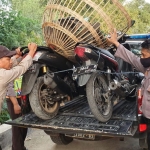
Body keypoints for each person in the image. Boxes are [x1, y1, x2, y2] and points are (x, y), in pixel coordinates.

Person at [108, 29, 150, 150]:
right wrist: (116, 43)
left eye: (144, 55)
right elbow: (132, 58)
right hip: (147, 115)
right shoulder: (147, 68)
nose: (141, 58)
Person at [0, 43, 37, 113]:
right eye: (8, 59)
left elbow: (10, 64)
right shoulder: (3, 75)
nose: (11, 61)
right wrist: (31, 51)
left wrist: (17, 55)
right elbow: (21, 68)